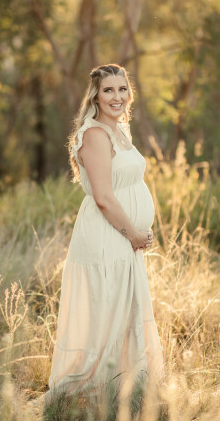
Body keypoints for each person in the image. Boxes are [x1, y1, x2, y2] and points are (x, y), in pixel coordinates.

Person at [46, 63, 165, 398]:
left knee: (124, 316)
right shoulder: (95, 134)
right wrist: (134, 234)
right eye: (108, 90)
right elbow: (103, 197)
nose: (117, 96)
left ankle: (125, 391)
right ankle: (91, 395)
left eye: (122, 89)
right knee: (109, 317)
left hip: (123, 239)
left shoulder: (119, 130)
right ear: (95, 96)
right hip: (107, 238)